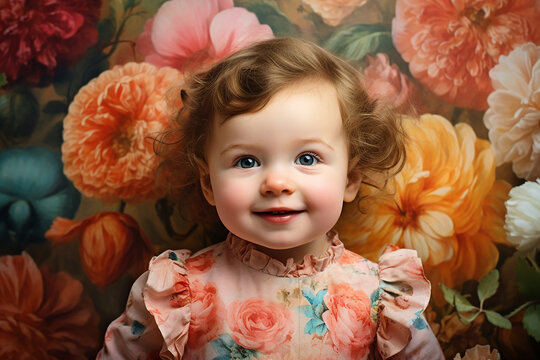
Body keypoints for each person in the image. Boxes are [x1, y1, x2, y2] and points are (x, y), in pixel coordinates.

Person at [98, 37, 444, 360]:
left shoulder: (381, 298)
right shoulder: (176, 294)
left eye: (307, 158)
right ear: (208, 183)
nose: (277, 183)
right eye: (247, 161)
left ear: (350, 180)